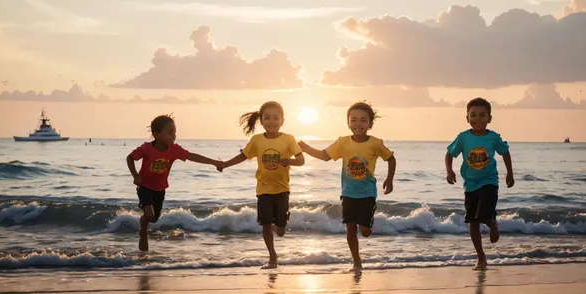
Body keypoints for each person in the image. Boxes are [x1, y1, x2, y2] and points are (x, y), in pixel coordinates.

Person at [299, 101, 396, 269]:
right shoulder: (343, 142)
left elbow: (390, 158)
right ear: (348, 123)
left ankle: (367, 225)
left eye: (363, 120)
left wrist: (389, 179)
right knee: (350, 228)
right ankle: (356, 261)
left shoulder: (375, 143)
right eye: (354, 120)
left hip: (367, 193)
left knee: (364, 232)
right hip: (348, 193)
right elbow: (325, 156)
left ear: (370, 124)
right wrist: (306, 148)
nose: (358, 124)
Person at [219, 101, 304, 268]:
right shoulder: (257, 140)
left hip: (282, 190)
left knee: (280, 231)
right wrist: (224, 164)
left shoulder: (288, 139)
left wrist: (288, 161)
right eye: (267, 118)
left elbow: (301, 160)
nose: (271, 121)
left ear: (282, 121)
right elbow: (243, 156)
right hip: (263, 190)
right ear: (261, 121)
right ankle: (272, 256)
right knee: (266, 226)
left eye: (275, 118)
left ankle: (281, 221)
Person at [126, 114, 222, 252]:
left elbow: (192, 156)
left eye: (175, 132)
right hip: (145, 186)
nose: (174, 136)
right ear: (156, 134)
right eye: (170, 132)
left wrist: (214, 162)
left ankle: (145, 223)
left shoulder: (174, 150)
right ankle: (143, 231)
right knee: (148, 214)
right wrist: (135, 176)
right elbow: (130, 158)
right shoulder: (147, 148)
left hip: (160, 188)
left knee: (153, 218)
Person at [445, 98, 514, 270]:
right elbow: (449, 154)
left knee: (483, 216)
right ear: (467, 118)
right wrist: (449, 171)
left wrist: (510, 173)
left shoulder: (493, 137)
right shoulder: (463, 138)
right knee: (473, 221)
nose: (478, 119)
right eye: (473, 115)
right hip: (470, 185)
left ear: (489, 118)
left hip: (489, 181)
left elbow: (505, 152)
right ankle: (481, 257)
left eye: (482, 115)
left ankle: (493, 224)